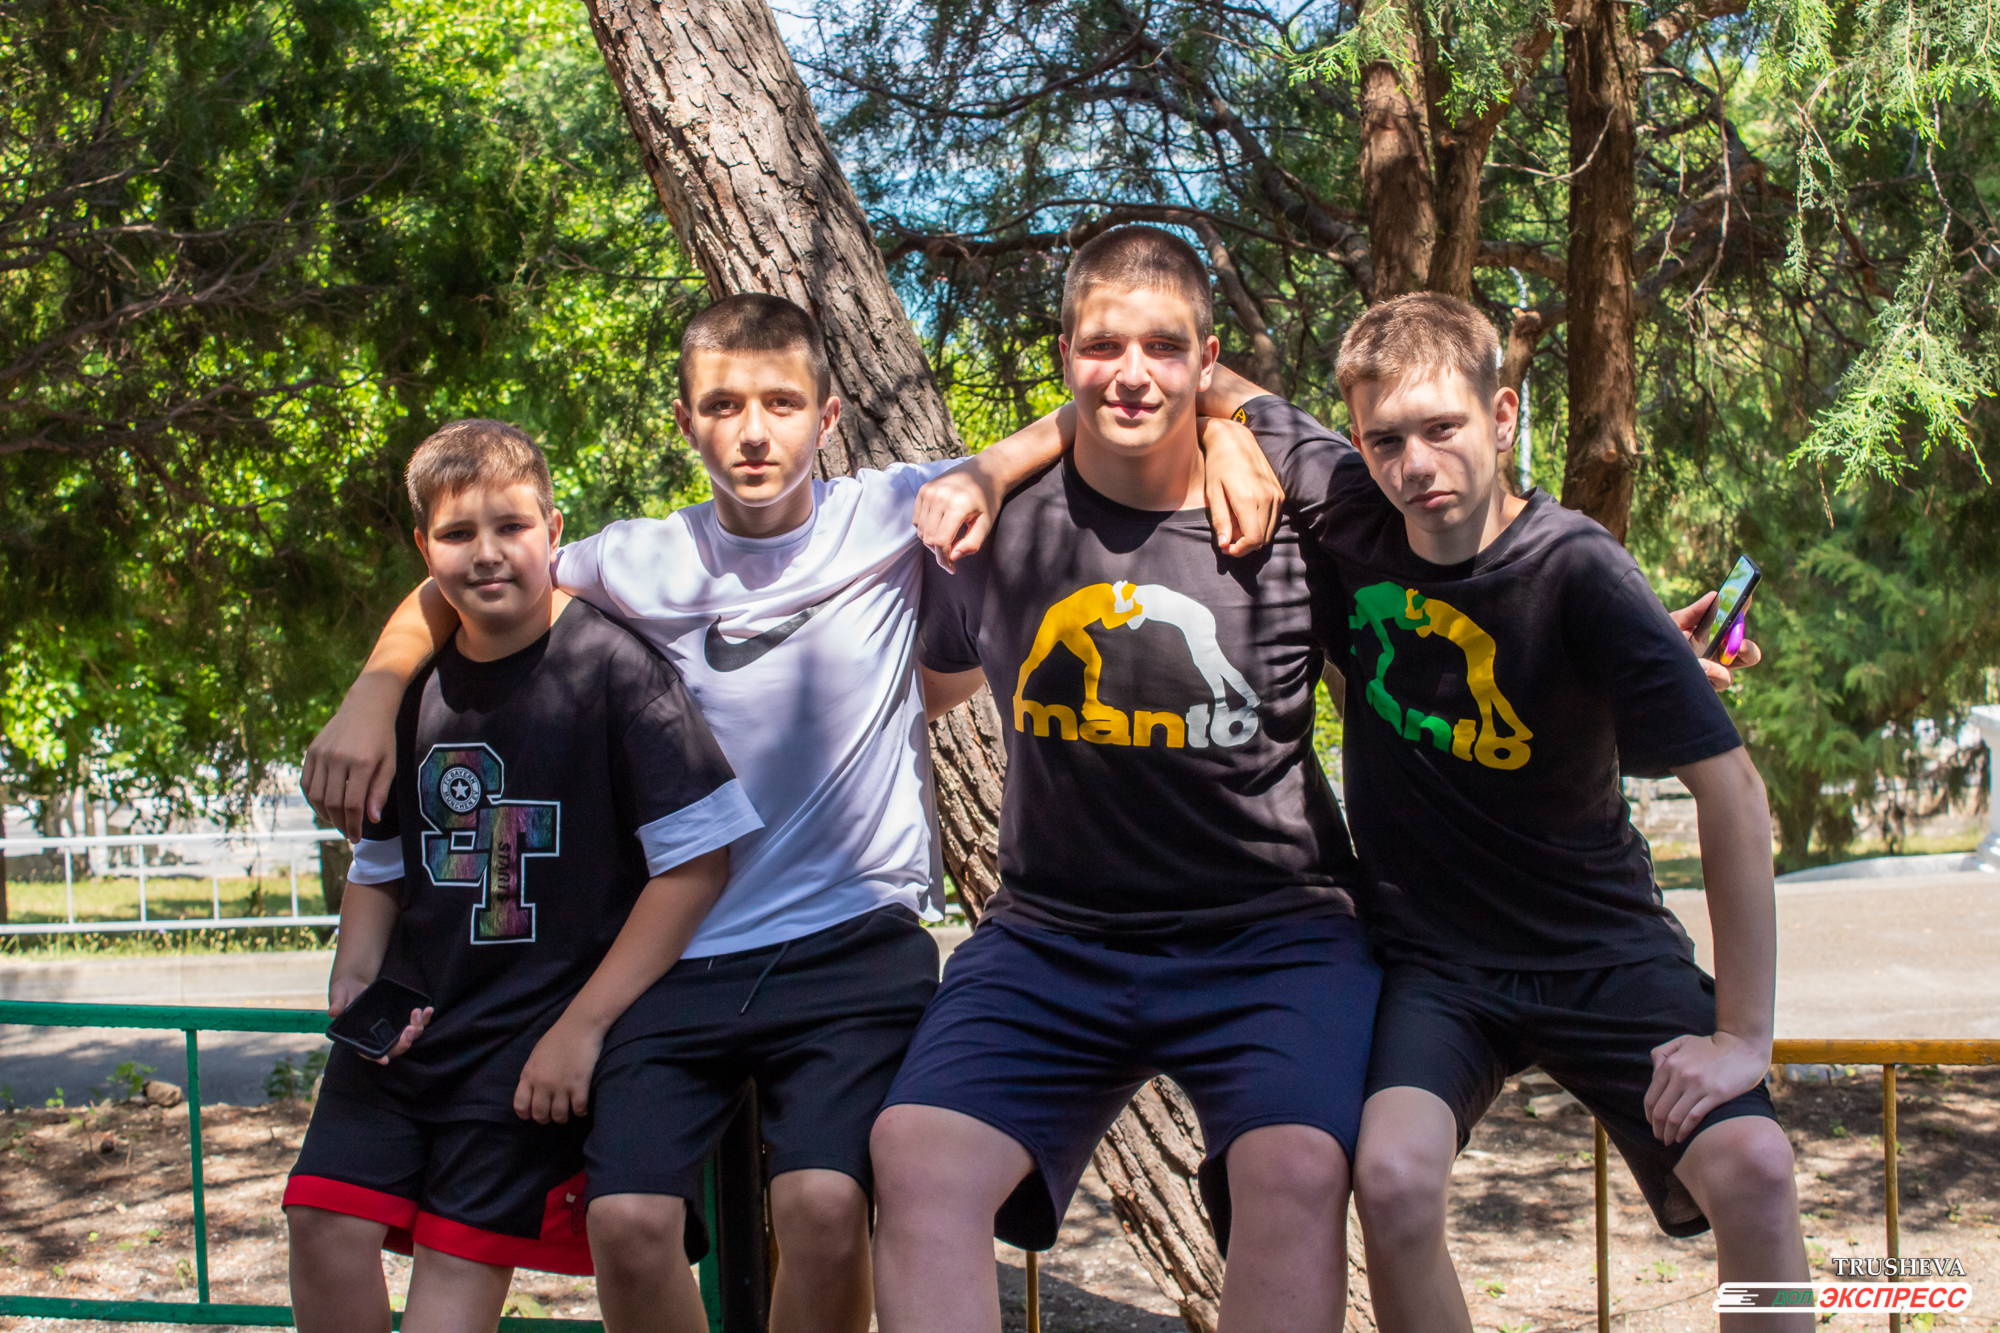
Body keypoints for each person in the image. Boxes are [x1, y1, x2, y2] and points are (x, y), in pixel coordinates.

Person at [299, 292, 1285, 1333]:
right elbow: (462, 580)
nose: (753, 431)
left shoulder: (892, 514)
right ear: (684, 421)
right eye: (723, 405)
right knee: (626, 1221)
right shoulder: (631, 560)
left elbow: (1084, 418)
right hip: (676, 961)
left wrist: (1227, 425)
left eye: (780, 403)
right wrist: (373, 691)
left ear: (827, 417)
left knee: (821, 1206)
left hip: (850, 945)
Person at [1206, 292, 1809, 1331]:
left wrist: (1743, 1036)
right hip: (1436, 965)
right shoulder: (1348, 502)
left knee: (1755, 1165)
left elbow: (1733, 792)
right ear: (1355, 440)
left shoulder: (1581, 569)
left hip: (1601, 947)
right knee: (1391, 1181)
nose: (1416, 464)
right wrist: (1224, 431)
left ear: (1501, 415)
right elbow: (1202, 373)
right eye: (1385, 440)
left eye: (1443, 427)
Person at [874, 225, 1381, 1333]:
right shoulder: (994, 533)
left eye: (1164, 347)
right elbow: (922, 687)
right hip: (1053, 937)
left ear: (1208, 361)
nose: (1132, 373)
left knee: (1297, 1169)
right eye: (1103, 346)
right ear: (1063, 355)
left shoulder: (1289, 523)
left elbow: (1436, 622)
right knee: (913, 1154)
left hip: (1274, 934)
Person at [284, 419, 761, 1333]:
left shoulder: (617, 669)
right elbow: (381, 865)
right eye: (457, 534)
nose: (487, 552)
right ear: (424, 549)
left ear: (553, 528)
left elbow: (696, 865)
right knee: (320, 1222)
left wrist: (582, 1028)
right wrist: (356, 975)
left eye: (511, 526)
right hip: (406, 1034)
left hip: (524, 1045)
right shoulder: (407, 689)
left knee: (450, 1289)